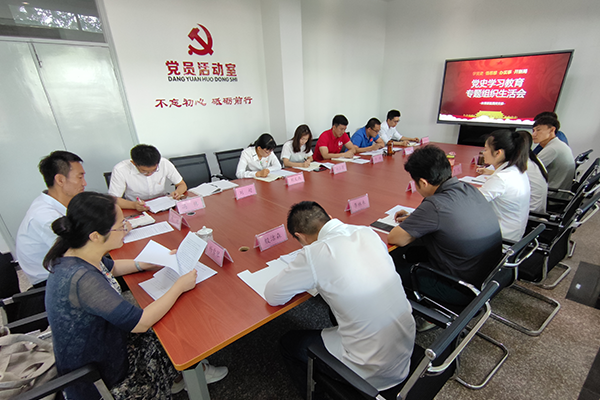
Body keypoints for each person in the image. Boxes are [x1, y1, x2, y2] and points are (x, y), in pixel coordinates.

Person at [43, 192, 227, 400]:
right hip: (101, 372)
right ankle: (190, 375)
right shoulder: (82, 280)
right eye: (121, 225)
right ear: (95, 236)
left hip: (106, 338)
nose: (126, 229)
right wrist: (179, 287)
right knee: (172, 330)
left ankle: (178, 377)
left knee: (168, 325)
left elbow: (110, 267)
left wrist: (145, 263)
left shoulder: (78, 252)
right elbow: (140, 323)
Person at [265, 201, 415, 395]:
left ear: (300, 236)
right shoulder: (367, 232)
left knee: (288, 343)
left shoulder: (314, 254)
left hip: (371, 369)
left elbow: (273, 295)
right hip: (404, 348)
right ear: (328, 217)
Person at [388, 145, 502, 306]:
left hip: (461, 290)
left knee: (389, 267)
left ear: (423, 182)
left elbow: (395, 238)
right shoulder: (468, 188)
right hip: (487, 279)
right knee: (414, 250)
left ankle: (419, 309)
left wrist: (419, 220)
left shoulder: (435, 205)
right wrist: (417, 219)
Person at [16, 151, 86, 287]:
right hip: (51, 282)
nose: (84, 183)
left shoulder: (58, 202)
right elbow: (79, 254)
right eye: (80, 177)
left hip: (68, 266)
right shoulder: (45, 217)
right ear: (60, 180)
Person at [476, 130, 530, 241]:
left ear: (498, 153)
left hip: (501, 239)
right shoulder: (516, 170)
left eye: (486, 149)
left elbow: (471, 203)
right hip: (513, 233)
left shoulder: (501, 178)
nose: (483, 153)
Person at [108, 144, 187, 211]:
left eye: (154, 170)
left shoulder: (164, 163)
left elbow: (181, 184)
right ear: (133, 163)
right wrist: (134, 205)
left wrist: (178, 192)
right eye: (144, 171)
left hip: (163, 204)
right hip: (136, 207)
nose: (150, 174)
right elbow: (114, 200)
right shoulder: (120, 169)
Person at [532, 116, 575, 191]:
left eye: (538, 130)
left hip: (551, 192)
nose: (534, 134)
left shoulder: (552, 149)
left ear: (552, 130)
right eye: (533, 131)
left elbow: (530, 170)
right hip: (558, 190)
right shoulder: (557, 144)